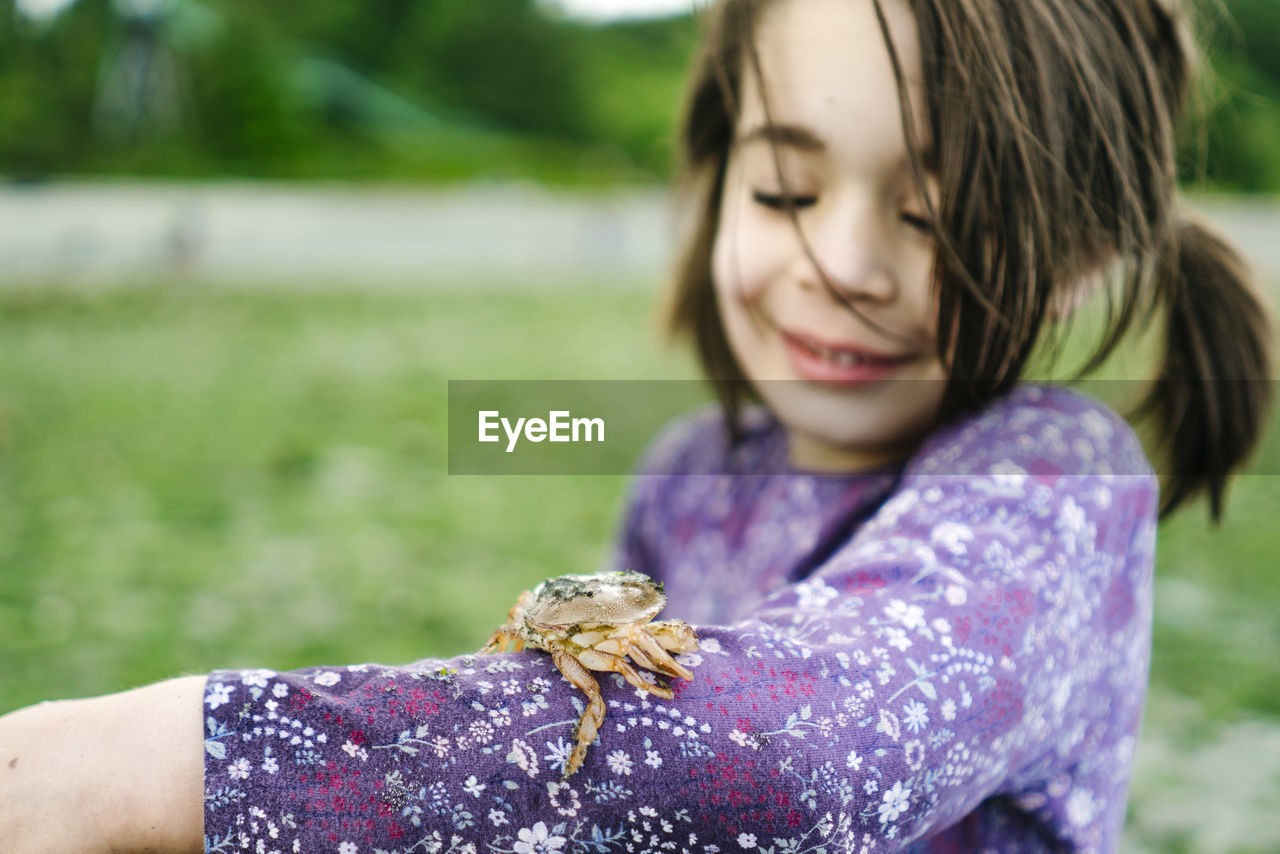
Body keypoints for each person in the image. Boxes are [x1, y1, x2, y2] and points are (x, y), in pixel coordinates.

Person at [1, 0, 1272, 851]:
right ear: (716, 170)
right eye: (784, 187)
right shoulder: (687, 470)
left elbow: (791, 757)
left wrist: (147, 754)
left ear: (1080, 254)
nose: (838, 262)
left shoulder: (1053, 482)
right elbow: (584, 749)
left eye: (932, 216)